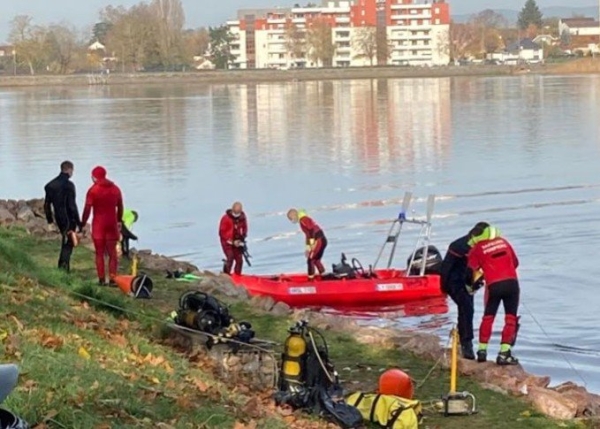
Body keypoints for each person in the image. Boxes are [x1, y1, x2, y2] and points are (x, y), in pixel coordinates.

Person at [467, 222, 520, 366]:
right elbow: (515, 262)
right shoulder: (504, 242)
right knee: (511, 318)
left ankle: (482, 351)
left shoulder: (477, 248)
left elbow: (471, 271)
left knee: (488, 317)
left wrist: (472, 285)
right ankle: (504, 354)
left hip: (493, 286)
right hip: (511, 284)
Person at [81, 166, 124, 286]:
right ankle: (112, 279)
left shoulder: (93, 191)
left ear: (94, 177)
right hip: (112, 224)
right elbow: (120, 207)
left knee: (99, 253)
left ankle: (101, 279)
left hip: (99, 225)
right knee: (112, 254)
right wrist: (119, 220)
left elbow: (87, 209)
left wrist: (83, 222)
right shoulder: (116, 189)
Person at [440, 235, 478, 360]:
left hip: (468, 282)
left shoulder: (479, 246)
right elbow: (446, 267)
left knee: (469, 309)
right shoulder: (459, 245)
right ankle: (466, 343)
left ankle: (464, 339)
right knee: (466, 308)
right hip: (454, 282)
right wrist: (444, 287)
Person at [44, 160, 82, 272]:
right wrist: (78, 222)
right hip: (68, 218)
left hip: (59, 218)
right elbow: (72, 205)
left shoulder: (50, 185)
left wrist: (50, 220)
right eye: (72, 170)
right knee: (68, 244)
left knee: (66, 241)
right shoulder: (69, 185)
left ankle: (62, 268)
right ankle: (64, 269)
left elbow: (46, 205)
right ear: (69, 170)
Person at [287, 208, 328, 280]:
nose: (292, 221)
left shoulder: (303, 219)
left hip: (318, 240)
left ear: (294, 215)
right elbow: (308, 235)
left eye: (291, 219)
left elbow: (312, 231)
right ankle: (324, 276)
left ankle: (310, 280)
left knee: (310, 260)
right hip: (321, 240)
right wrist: (308, 248)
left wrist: (312, 244)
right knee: (316, 260)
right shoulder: (303, 220)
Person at [219, 202, 248, 275]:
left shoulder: (242, 218)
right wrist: (231, 242)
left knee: (239, 260)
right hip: (227, 242)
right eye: (235, 213)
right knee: (230, 257)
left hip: (238, 241)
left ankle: (237, 275)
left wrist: (242, 238)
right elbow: (222, 233)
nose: (236, 215)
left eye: (238, 213)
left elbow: (244, 228)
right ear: (232, 210)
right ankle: (226, 274)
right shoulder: (225, 218)